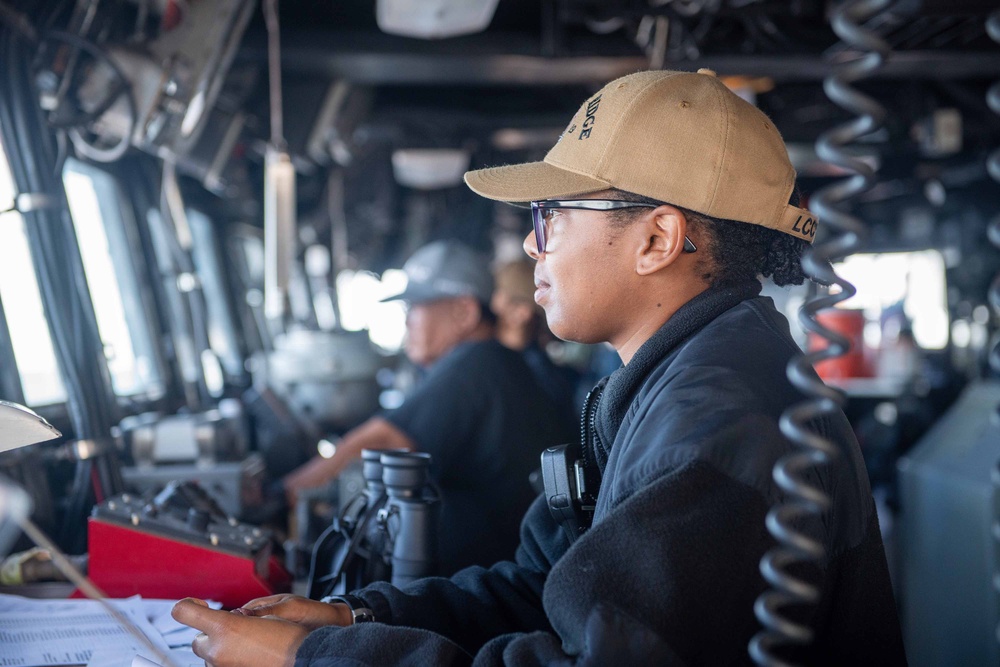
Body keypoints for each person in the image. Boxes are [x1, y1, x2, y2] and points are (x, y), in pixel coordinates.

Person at [173, 69, 907, 666]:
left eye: (552, 213)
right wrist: (352, 613)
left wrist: (318, 657)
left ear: (657, 239)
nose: (533, 245)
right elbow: (544, 588)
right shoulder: (667, 382)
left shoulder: (718, 424)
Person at [283, 239, 575, 576]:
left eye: (417, 308)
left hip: (489, 581)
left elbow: (387, 442)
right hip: (505, 571)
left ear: (464, 312)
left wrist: (287, 493)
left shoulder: (475, 364)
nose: (407, 321)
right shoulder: (498, 364)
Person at [491, 259, 579, 425]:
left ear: (521, 313)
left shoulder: (534, 378)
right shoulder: (552, 373)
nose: (493, 303)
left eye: (500, 293)